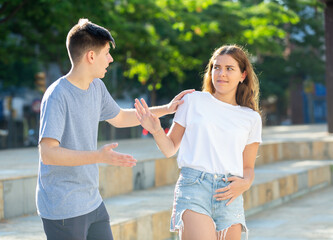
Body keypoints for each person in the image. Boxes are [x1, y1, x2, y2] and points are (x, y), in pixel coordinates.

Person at [37, 18, 194, 240]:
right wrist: (98, 156)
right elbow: (48, 153)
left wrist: (167, 109)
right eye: (106, 53)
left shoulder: (96, 87)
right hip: (63, 205)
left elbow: (120, 117)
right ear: (91, 56)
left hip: (91, 201)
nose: (110, 59)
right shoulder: (57, 95)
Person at [135, 44, 262, 240]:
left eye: (229, 69)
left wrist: (245, 184)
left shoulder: (251, 118)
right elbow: (169, 148)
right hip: (194, 187)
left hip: (229, 194)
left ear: (243, 75)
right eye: (216, 67)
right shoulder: (193, 101)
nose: (221, 74)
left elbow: (248, 167)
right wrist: (156, 129)